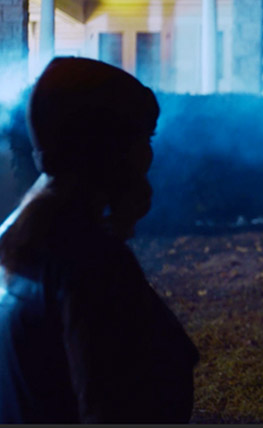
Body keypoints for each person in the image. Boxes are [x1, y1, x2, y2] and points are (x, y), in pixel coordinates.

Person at [0, 57, 199, 423]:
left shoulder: (21, 238)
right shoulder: (90, 264)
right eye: (144, 137)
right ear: (110, 151)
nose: (148, 155)